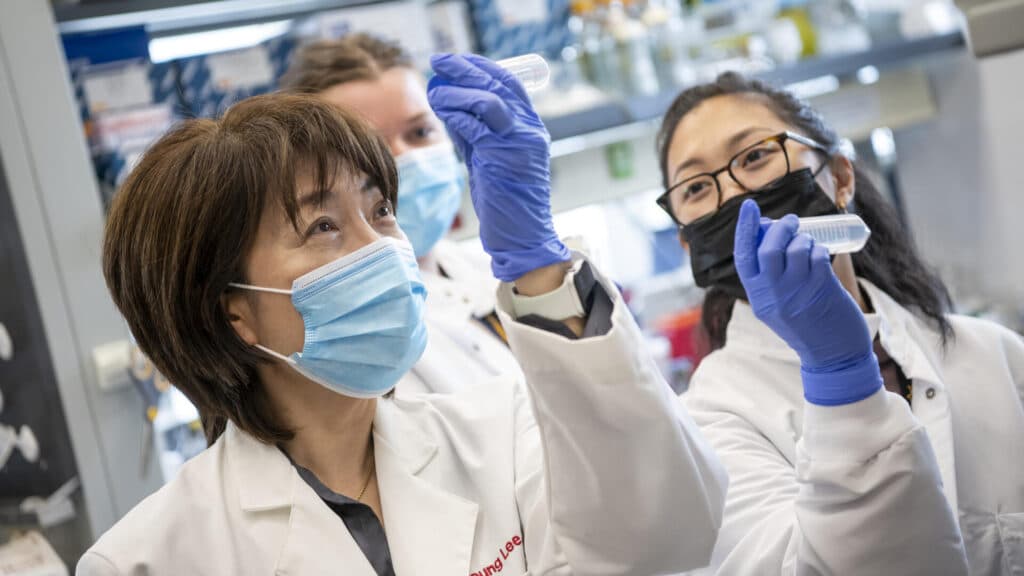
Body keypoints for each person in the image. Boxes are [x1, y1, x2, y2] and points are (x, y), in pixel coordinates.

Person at [76, 56, 728, 576]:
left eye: (379, 210)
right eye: (323, 225)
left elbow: (665, 534)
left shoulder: (498, 433)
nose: (383, 247)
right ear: (232, 314)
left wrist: (540, 268)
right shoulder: (150, 559)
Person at [656, 72, 1024, 575]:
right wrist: (839, 380)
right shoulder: (709, 425)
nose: (733, 197)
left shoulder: (993, 356)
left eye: (755, 156)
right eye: (697, 187)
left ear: (841, 178)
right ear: (687, 243)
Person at [280, 35, 520, 395]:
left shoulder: (483, 267)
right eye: (371, 148)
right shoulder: (360, 332)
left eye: (420, 131)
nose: (404, 157)